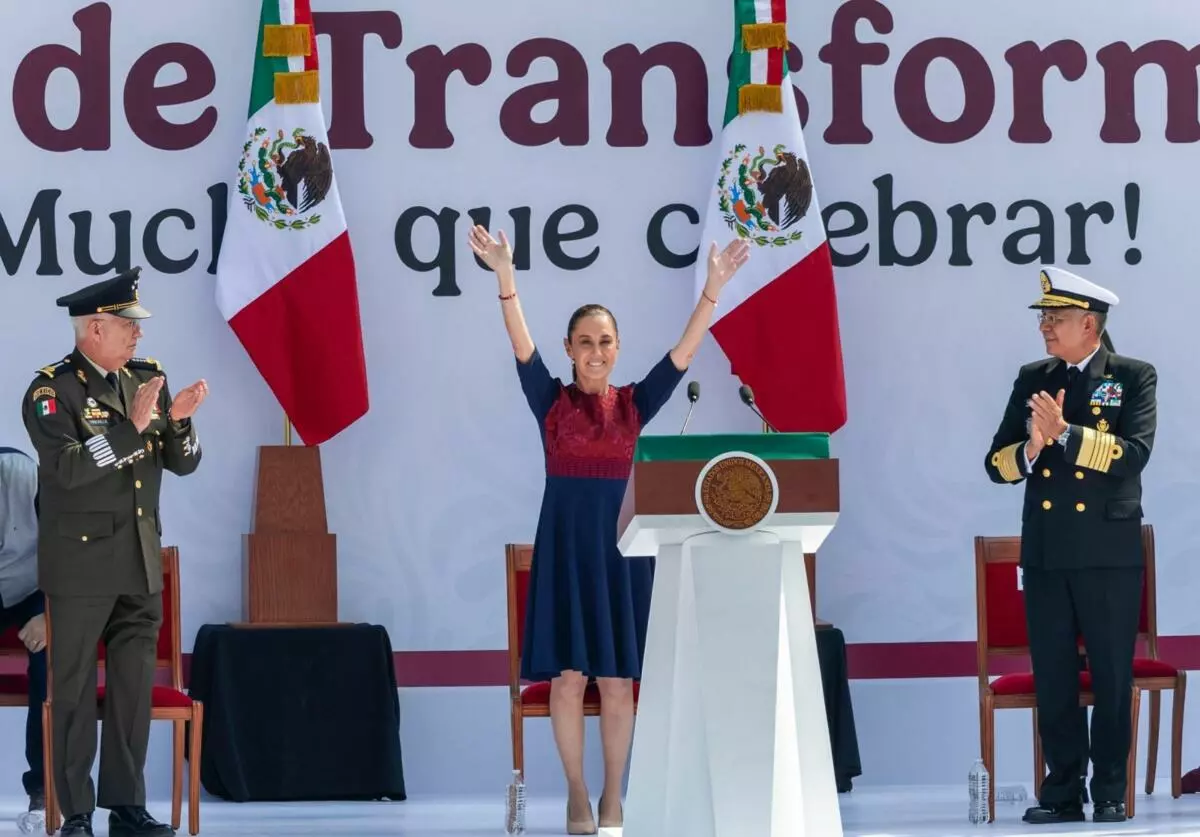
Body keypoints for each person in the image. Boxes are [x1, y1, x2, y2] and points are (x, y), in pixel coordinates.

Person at [468, 224, 749, 834]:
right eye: (585, 342)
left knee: (620, 682)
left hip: (622, 556)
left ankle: (613, 796)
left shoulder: (634, 405)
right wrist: (505, 276)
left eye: (605, 341)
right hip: (568, 552)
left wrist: (713, 289)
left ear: (618, 348)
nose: (596, 351)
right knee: (569, 681)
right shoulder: (550, 403)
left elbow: (683, 353)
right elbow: (521, 345)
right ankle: (576, 794)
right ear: (570, 349)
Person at [21, 267, 207, 837]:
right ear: (95, 329)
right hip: (80, 568)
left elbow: (182, 463)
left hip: (140, 562)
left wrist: (178, 423)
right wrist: (133, 428)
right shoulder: (51, 391)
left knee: (131, 693)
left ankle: (127, 808)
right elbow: (69, 469)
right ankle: (76, 813)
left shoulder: (146, 379)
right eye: (128, 325)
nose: (139, 334)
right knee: (73, 692)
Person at [984, 266, 1156, 825]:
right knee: (1054, 676)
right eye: (1043, 318)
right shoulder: (1033, 377)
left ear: (1089, 323)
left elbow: (1133, 455)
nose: (1044, 327)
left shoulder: (1132, 376)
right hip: (1048, 550)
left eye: (1055, 318)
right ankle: (1061, 790)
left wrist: (1066, 434)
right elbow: (996, 463)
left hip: (1107, 553)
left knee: (1111, 676)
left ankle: (1109, 790)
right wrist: (1032, 449)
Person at [0, 446, 48, 827]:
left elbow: (73, 547)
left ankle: (44, 790)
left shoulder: (23, 474)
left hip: (35, 586)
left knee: (50, 665)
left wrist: (51, 615)